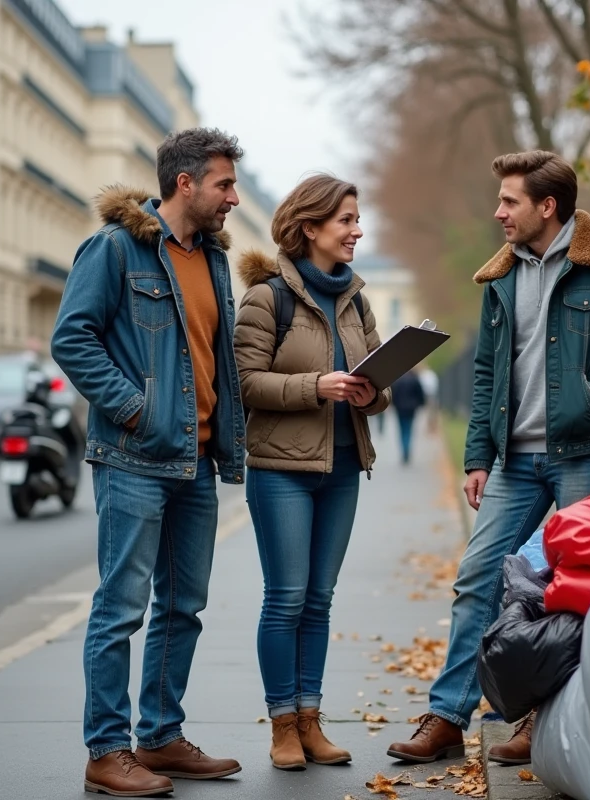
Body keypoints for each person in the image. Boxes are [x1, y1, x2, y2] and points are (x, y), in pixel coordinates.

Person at [387, 151, 590, 766]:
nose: (498, 212)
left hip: (583, 453)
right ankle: (446, 717)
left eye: (509, 201)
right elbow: (490, 368)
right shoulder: (503, 276)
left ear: (547, 206)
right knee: (477, 579)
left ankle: (543, 721)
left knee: (570, 591)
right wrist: (476, 456)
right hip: (514, 458)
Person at [52, 128, 248, 798]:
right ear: (185, 182)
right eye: (224, 183)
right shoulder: (115, 248)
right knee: (121, 607)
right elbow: (71, 338)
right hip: (134, 456)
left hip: (194, 462)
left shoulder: (214, 259)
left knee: (182, 607)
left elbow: (211, 356)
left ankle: (160, 736)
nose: (234, 198)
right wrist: (136, 409)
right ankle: (107, 750)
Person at [233, 174, 391, 771]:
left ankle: (311, 721)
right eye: (347, 220)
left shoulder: (357, 298)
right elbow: (245, 383)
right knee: (287, 598)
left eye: (357, 219)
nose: (357, 230)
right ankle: (281, 727)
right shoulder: (266, 298)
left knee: (319, 600)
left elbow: (380, 392)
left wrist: (373, 390)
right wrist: (315, 386)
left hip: (345, 465)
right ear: (310, 228)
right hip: (281, 471)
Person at [391, 370, 427, 464]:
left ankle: (404, 450)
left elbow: (393, 394)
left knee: (402, 429)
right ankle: (407, 450)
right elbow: (420, 393)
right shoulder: (414, 379)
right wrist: (421, 404)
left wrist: (394, 405)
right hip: (411, 408)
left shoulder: (397, 379)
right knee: (409, 429)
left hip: (400, 408)